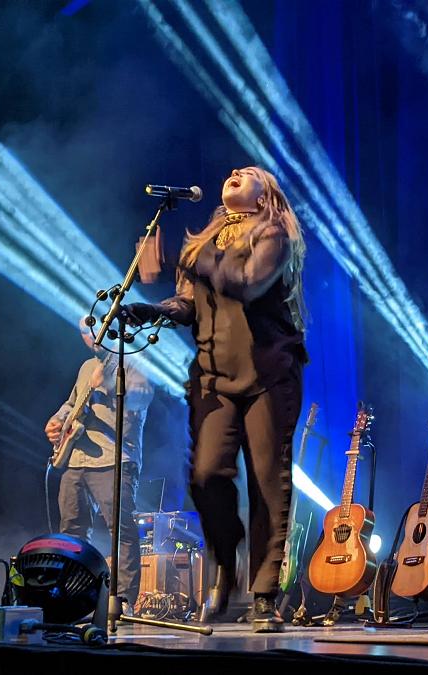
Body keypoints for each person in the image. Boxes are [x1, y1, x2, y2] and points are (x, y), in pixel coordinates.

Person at [123, 166, 308, 632]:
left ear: (265, 194)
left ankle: (265, 594)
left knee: (269, 486)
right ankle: (227, 563)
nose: (234, 173)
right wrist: (155, 309)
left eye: (248, 173)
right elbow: (188, 302)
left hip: (269, 375)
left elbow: (244, 284)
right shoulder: (202, 245)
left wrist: (189, 259)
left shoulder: (274, 234)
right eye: (233, 171)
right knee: (205, 477)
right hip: (212, 379)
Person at [45, 319, 154, 609]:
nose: (91, 337)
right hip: (76, 459)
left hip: (114, 460)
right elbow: (72, 402)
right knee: (71, 530)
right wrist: (57, 420)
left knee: (122, 530)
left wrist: (108, 383)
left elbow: (142, 398)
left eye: (96, 329)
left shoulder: (133, 361)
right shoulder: (84, 367)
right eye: (85, 332)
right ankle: (72, 595)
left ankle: (124, 600)